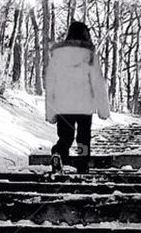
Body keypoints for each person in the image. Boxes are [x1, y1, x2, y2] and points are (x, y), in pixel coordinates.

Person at [44, 20, 110, 174]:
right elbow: (98, 83)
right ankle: (82, 165)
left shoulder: (57, 55)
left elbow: (51, 84)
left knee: (65, 137)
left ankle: (58, 154)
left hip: (62, 104)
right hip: (84, 105)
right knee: (83, 138)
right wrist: (103, 110)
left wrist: (50, 112)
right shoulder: (89, 55)